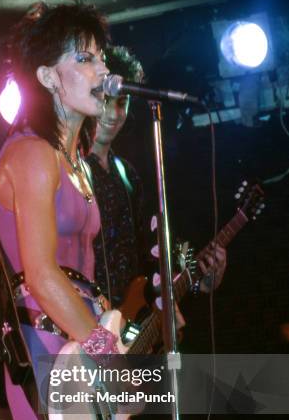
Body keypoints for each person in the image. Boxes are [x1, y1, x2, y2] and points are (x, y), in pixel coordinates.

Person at [0, 0, 139, 420]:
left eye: (101, 55)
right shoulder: (30, 153)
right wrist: (102, 344)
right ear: (50, 78)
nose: (102, 69)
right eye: (84, 57)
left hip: (87, 345)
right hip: (47, 351)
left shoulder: (76, 161)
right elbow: (42, 274)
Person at [86, 45, 227, 314]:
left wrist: (199, 277)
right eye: (106, 102)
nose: (114, 114)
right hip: (86, 324)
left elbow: (155, 250)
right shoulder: (71, 169)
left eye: (122, 102)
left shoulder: (127, 174)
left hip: (132, 323)